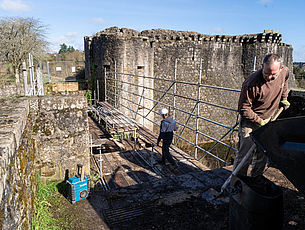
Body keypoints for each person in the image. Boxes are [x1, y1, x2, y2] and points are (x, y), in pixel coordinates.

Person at [234, 54, 290, 177]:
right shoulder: (251, 83)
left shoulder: (284, 71)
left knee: (263, 152)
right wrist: (259, 121)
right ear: (262, 66)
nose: (269, 77)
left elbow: (285, 81)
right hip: (250, 122)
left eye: (273, 75)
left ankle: (255, 179)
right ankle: (238, 182)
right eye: (266, 74)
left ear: (281, 68)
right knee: (245, 155)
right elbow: (243, 109)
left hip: (269, 118)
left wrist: (284, 98)